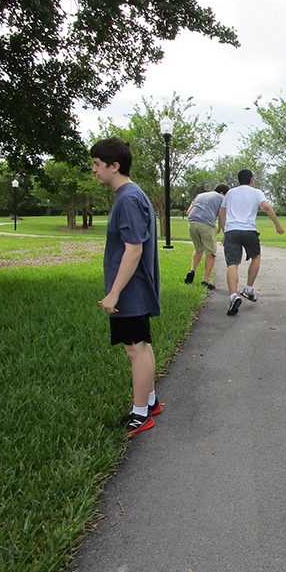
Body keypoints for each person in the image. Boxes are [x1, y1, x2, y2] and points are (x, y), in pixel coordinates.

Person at [90, 138, 162, 436]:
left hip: (131, 291)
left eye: (96, 164)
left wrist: (114, 292)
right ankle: (150, 401)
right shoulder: (129, 195)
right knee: (140, 345)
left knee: (137, 349)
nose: (94, 171)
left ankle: (140, 413)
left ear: (114, 165)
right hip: (133, 289)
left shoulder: (128, 198)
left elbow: (134, 249)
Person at [218, 169, 284, 316]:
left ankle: (233, 296)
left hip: (232, 231)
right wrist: (277, 225)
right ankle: (248, 288)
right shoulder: (256, 192)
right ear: (252, 180)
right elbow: (266, 206)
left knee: (232, 264)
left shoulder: (230, 193)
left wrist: (224, 231)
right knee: (256, 256)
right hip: (249, 230)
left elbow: (222, 213)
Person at [185, 183, 229, 290]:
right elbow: (221, 215)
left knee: (198, 249)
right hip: (206, 224)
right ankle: (205, 280)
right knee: (211, 253)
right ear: (223, 192)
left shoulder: (200, 195)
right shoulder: (222, 198)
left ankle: (192, 270)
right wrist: (224, 232)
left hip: (192, 222)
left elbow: (188, 211)